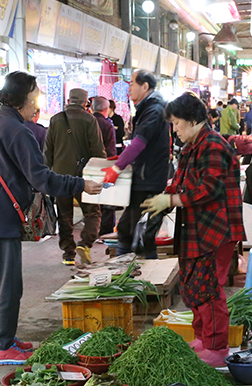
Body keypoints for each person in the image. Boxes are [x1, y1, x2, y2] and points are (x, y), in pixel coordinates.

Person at [0, 71, 103, 364]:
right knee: (9, 286)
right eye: (35, 98)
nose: (37, 105)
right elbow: (42, 179)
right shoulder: (18, 131)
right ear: (23, 100)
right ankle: (3, 347)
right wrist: (81, 184)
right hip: (1, 220)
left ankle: (3, 338)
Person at [142, 92, 244, 367]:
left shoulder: (212, 145)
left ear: (192, 120)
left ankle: (217, 347)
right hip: (196, 229)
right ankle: (202, 338)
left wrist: (172, 199)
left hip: (215, 230)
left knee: (209, 289)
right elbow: (180, 182)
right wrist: (161, 198)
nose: (174, 129)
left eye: (176, 123)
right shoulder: (192, 147)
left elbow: (210, 188)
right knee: (195, 286)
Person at [102, 70, 171, 258]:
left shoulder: (154, 110)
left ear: (145, 86)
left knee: (141, 236)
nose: (129, 87)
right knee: (127, 230)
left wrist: (117, 168)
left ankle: (147, 279)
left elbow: (140, 142)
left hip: (148, 180)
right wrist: (123, 158)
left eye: (132, 83)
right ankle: (121, 269)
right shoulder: (147, 108)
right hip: (143, 177)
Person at [45, 88, 106, 266]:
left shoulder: (55, 120)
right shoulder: (89, 120)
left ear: (69, 100)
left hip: (59, 177)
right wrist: (101, 174)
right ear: (85, 102)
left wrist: (46, 177)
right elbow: (98, 151)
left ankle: (68, 254)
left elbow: (47, 151)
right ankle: (85, 244)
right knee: (93, 213)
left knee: (64, 216)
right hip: (84, 177)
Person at [92, 97, 118, 235]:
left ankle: (91, 231)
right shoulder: (107, 124)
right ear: (106, 109)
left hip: (89, 165)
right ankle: (105, 231)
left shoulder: (88, 121)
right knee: (107, 200)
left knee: (92, 199)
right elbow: (111, 149)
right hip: (105, 165)